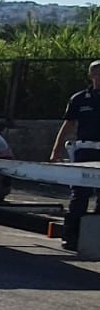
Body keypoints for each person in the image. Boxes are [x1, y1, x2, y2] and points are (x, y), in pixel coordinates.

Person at [50, 60, 100, 251]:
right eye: (98, 73)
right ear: (91, 76)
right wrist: (56, 151)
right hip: (85, 151)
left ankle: (94, 237)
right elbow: (68, 125)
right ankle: (71, 237)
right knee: (80, 194)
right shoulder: (80, 99)